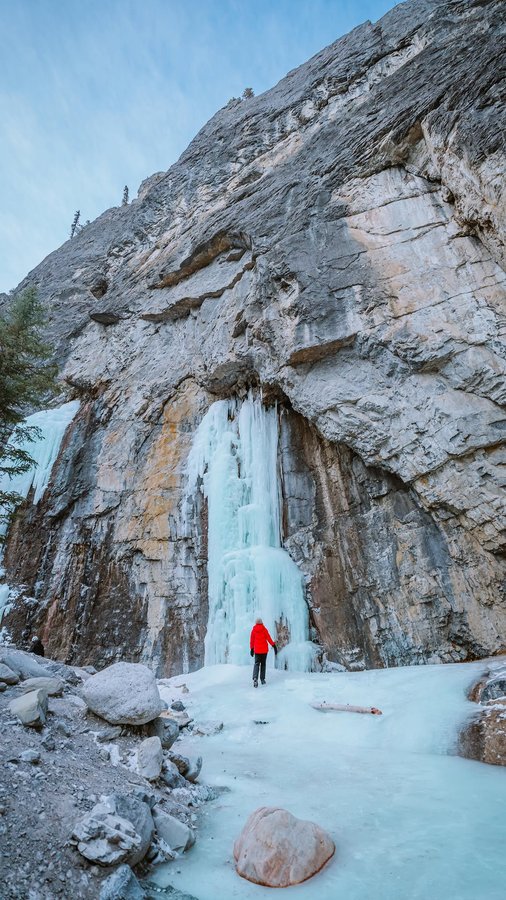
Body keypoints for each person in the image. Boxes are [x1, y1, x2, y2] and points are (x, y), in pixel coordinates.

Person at [250, 618, 277, 687]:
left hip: (257, 651)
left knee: (256, 664)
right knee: (263, 664)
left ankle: (255, 678)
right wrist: (273, 645)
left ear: (256, 623)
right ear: (261, 622)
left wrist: (252, 649)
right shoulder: (264, 629)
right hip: (264, 651)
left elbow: (252, 640)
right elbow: (269, 638)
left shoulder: (254, 630)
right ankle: (262, 679)